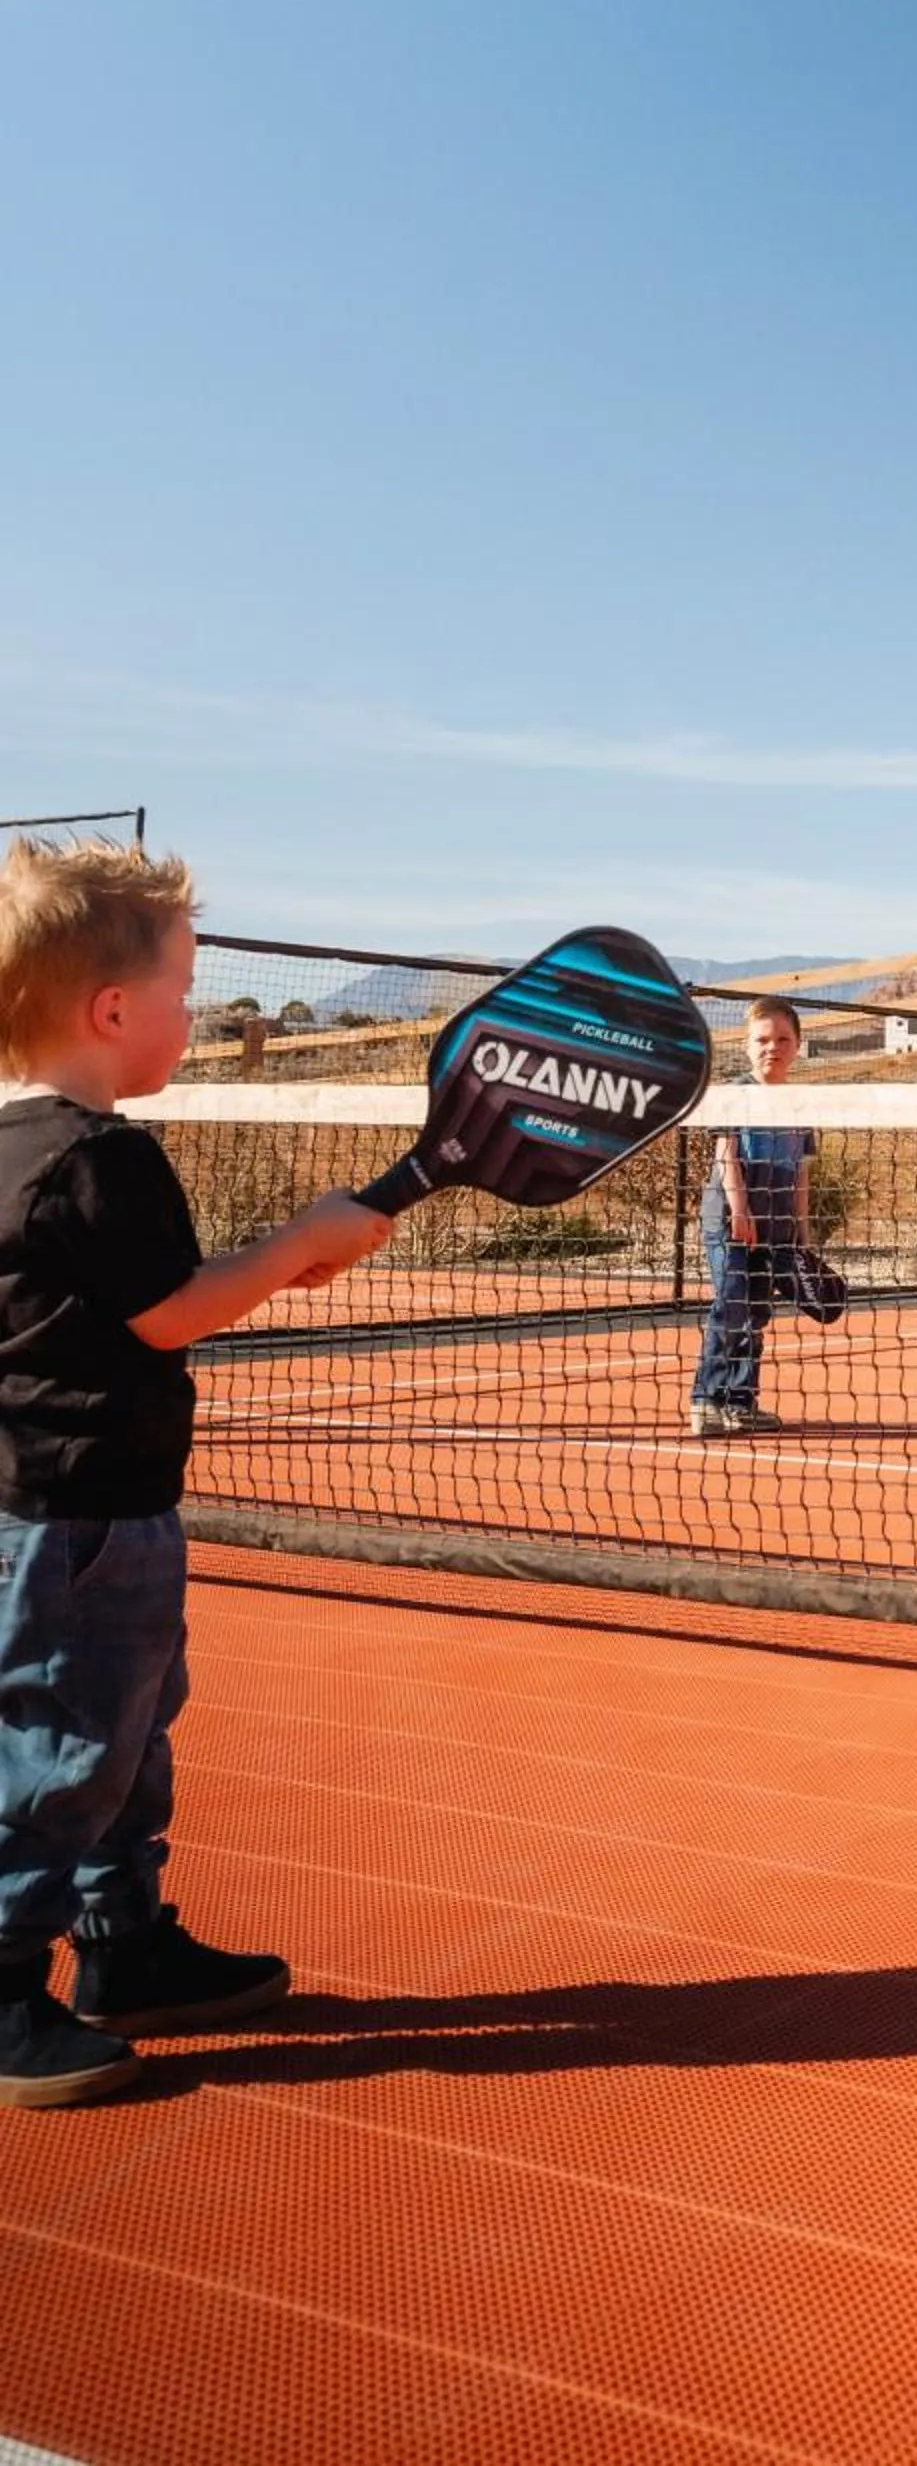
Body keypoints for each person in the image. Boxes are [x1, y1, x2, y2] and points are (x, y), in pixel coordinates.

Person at [0, 840, 392, 2107]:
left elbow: (119, 1303)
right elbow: (169, 1313)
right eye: (183, 992)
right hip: (85, 1525)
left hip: (55, 1514)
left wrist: (277, 1262)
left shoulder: (14, 1150)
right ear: (113, 1011)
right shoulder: (102, 1158)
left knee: (116, 1741)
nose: (193, 1015)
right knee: (71, 1754)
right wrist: (294, 1243)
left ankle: (126, 1950)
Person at [690, 998, 816, 1436]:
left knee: (757, 1311)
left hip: (776, 1227)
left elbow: (802, 1172)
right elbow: (726, 1155)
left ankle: (740, 1403)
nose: (772, 1047)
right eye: (762, 1040)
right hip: (729, 1220)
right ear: (747, 1046)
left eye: (782, 1039)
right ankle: (706, 1401)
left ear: (797, 1045)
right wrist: (740, 1209)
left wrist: (802, 1231)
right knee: (732, 1303)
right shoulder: (735, 1094)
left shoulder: (801, 1105)